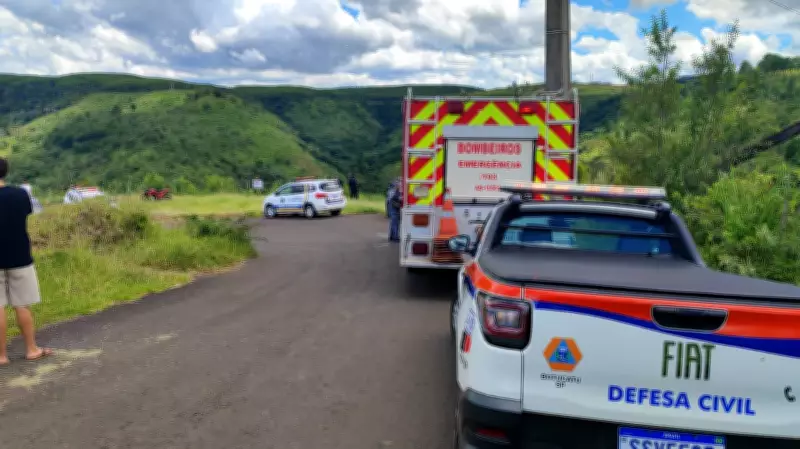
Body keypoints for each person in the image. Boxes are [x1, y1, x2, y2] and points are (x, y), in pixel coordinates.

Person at [0, 158, 53, 365]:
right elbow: (27, 213)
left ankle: (1, 355)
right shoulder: (20, 194)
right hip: (20, 256)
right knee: (22, 305)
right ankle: (32, 349)